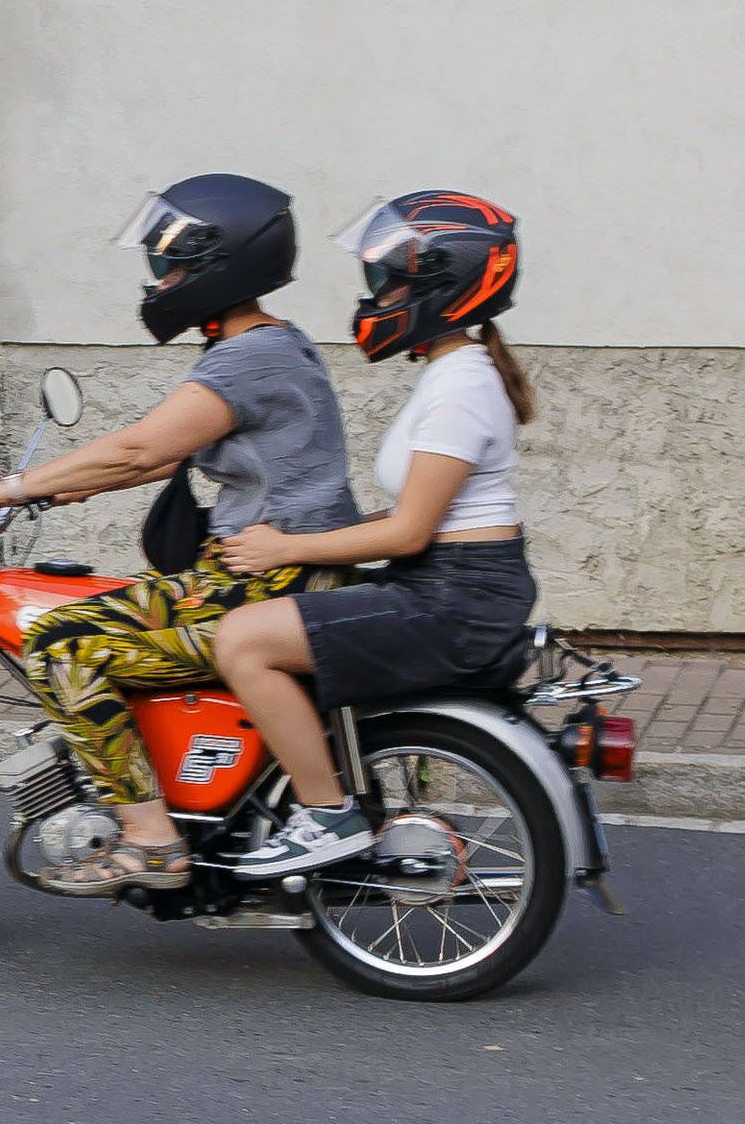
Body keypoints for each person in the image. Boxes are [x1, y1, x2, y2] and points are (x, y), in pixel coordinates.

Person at [0, 174, 360, 893]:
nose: (162, 280)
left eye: (171, 264)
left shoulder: (249, 357)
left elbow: (142, 448)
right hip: (273, 573)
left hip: (260, 581)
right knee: (116, 607)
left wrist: (9, 487)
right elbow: (164, 455)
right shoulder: (274, 344)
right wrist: (68, 485)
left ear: (220, 263)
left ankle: (149, 840)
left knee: (60, 643)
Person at [201, 192, 539, 880]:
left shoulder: (462, 385)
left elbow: (409, 530)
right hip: (452, 585)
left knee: (243, 639)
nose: (377, 293)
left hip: (457, 598)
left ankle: (327, 813)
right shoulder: (455, 372)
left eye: (391, 278)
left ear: (441, 283)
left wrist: (285, 547)